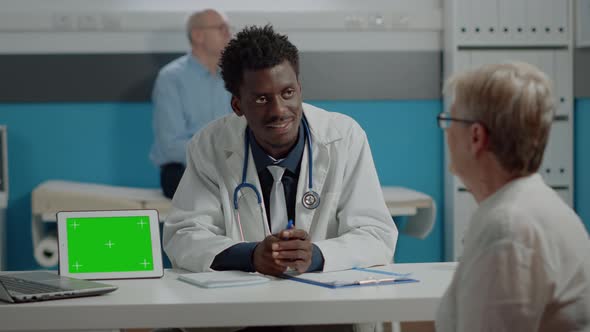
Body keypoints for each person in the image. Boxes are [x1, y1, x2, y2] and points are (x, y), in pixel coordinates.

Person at [163, 24, 397, 278]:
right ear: (237, 105)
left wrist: (316, 255)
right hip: (240, 308)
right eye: (262, 99)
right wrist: (251, 256)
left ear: (300, 89)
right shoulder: (210, 145)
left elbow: (376, 234)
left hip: (327, 306)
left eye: (288, 93)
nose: (279, 110)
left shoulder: (344, 138)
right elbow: (183, 236)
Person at [435, 62, 590, 331]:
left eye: (450, 120)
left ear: (476, 137)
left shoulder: (508, 229)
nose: (446, 132)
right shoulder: (529, 206)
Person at [150, 9, 232, 199]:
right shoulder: (171, 78)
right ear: (198, 35)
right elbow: (170, 145)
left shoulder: (235, 75)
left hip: (232, 166)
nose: (229, 33)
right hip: (184, 171)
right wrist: (221, 155)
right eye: (221, 28)